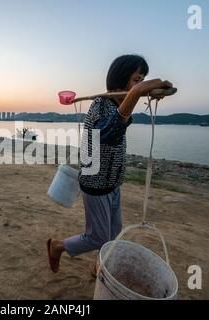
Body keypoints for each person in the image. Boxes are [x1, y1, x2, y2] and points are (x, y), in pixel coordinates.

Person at [47, 54, 172, 276]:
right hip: (95, 185)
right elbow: (107, 133)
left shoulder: (119, 105)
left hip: (113, 184)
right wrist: (135, 94)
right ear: (121, 78)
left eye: (143, 79)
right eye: (136, 79)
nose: (141, 84)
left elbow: (118, 125)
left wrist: (138, 94)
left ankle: (99, 267)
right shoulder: (100, 105)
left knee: (114, 233)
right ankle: (57, 246)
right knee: (98, 236)